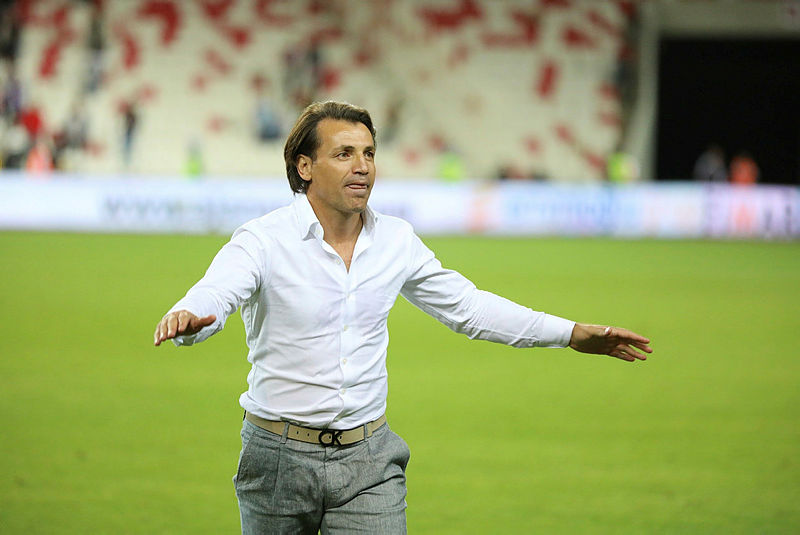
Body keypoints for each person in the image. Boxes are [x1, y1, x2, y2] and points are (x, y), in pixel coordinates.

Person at [153, 101, 653, 534]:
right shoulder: (262, 240)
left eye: (369, 153)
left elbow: (469, 308)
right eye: (344, 154)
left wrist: (569, 333)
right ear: (304, 166)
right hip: (277, 458)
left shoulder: (396, 240)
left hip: (369, 459)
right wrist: (191, 317)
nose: (362, 167)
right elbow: (218, 291)